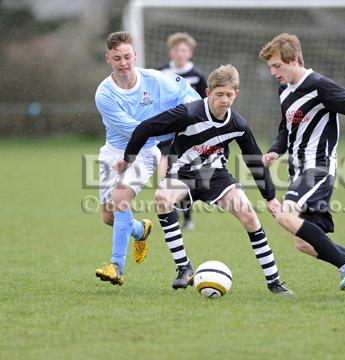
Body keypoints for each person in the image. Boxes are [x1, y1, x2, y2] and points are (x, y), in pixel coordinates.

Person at [117, 65, 293, 295]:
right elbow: (146, 128)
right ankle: (184, 268)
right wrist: (128, 160)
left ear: (236, 94)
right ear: (208, 93)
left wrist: (270, 197)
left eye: (229, 95)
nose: (225, 100)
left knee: (249, 215)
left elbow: (254, 160)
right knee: (161, 197)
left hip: (216, 176)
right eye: (219, 94)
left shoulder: (238, 124)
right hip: (182, 174)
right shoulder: (187, 113)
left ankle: (274, 282)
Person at [259, 33, 345, 299]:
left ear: (295, 59)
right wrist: (275, 150)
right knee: (304, 243)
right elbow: (286, 129)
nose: (273, 72)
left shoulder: (319, 85)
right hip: (298, 171)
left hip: (318, 168)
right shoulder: (284, 90)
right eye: (271, 67)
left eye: (277, 66)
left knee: (286, 216)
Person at [94, 31, 200, 286]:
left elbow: (190, 97)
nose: (124, 63)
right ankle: (141, 230)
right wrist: (173, 125)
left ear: (135, 55)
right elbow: (135, 130)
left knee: (121, 198)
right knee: (109, 217)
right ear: (108, 58)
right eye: (117, 58)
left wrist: (192, 118)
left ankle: (116, 266)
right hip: (115, 151)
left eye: (128, 57)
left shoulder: (155, 79)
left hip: (145, 151)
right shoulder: (104, 95)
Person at [157, 32, 208, 230]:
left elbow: (205, 102)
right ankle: (169, 206)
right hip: (167, 127)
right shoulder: (161, 72)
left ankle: (187, 216)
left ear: (190, 53)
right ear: (170, 52)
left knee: (185, 170)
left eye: (184, 50)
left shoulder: (197, 75)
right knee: (164, 164)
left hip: (189, 130)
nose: (180, 53)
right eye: (176, 50)